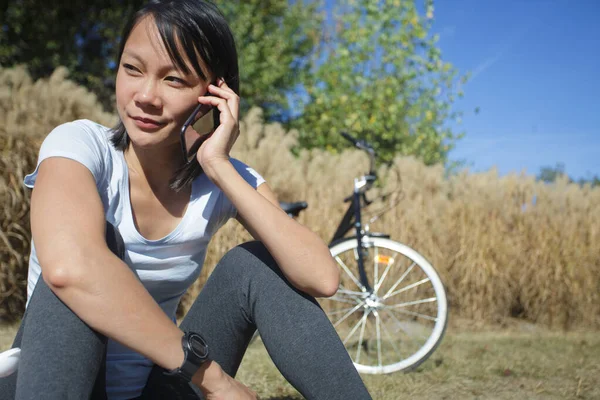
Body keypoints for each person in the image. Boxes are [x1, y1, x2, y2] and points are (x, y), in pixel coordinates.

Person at [0, 1, 373, 399]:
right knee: (99, 243)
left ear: (214, 94)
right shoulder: (78, 146)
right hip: (58, 380)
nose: (145, 95)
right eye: (132, 69)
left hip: (157, 388)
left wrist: (217, 164)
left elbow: (321, 277)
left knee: (257, 262)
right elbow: (69, 269)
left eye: (174, 79)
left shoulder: (226, 178)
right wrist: (216, 382)